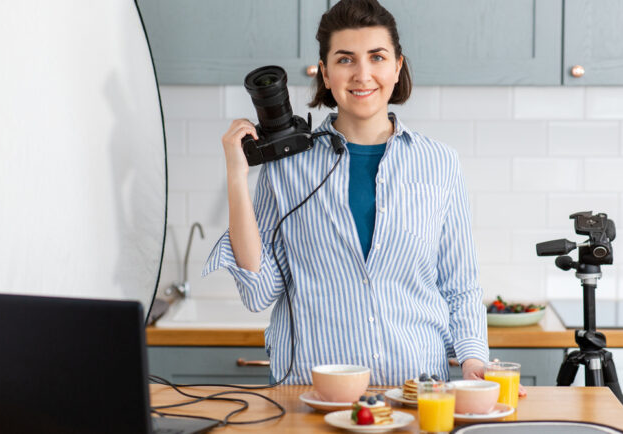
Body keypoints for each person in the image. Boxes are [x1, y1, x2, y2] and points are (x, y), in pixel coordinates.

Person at [204, 0, 488, 386]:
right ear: (324, 73)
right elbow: (258, 292)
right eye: (345, 60)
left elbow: (461, 287)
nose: (363, 74)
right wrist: (237, 175)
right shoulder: (287, 165)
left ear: (397, 66)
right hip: (310, 395)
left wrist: (473, 362)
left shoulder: (440, 163)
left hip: (417, 393)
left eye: (377, 57)